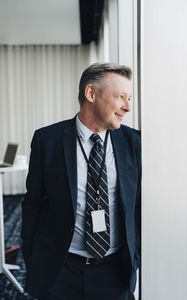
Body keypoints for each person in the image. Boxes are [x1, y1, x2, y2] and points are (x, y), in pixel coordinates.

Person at [21, 63, 141, 300]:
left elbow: (137, 204)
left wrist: (135, 258)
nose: (127, 107)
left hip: (114, 271)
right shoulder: (48, 140)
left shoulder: (132, 141)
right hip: (61, 269)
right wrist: (32, 256)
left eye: (129, 98)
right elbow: (33, 202)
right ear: (91, 94)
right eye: (120, 97)